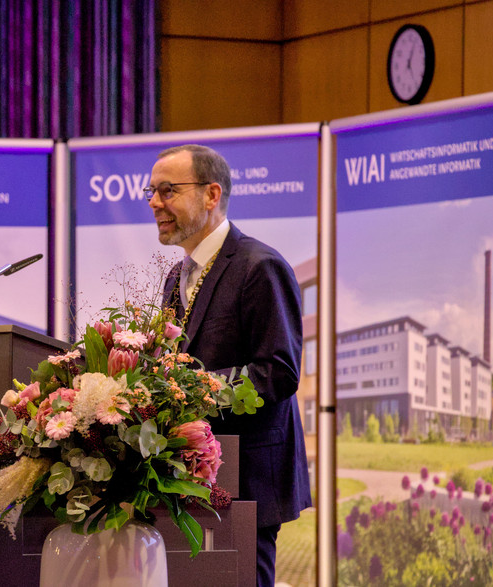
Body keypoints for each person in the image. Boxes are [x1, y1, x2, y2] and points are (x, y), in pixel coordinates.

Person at [147, 144, 312, 587]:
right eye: (152, 192)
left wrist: (187, 393)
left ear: (211, 194)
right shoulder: (175, 277)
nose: (155, 202)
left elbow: (278, 372)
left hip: (248, 480)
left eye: (167, 190)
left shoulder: (260, 266)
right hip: (189, 478)